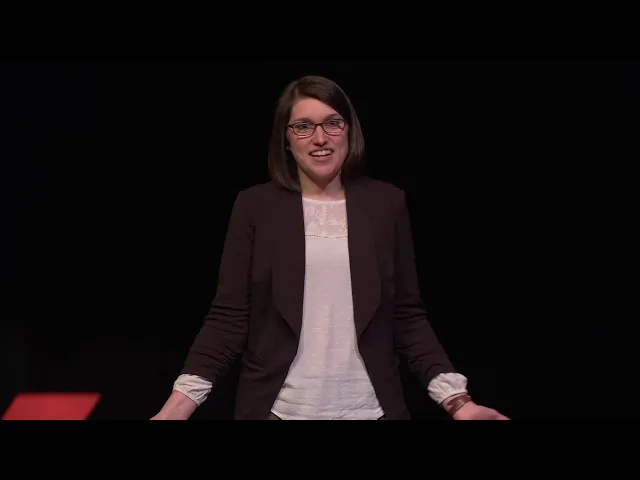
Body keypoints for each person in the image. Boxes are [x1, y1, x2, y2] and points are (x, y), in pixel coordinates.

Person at [151, 75, 509, 420]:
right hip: (278, 410)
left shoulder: (386, 204)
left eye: (332, 123)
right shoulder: (256, 207)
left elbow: (407, 316)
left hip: (372, 410)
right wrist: (175, 409)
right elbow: (228, 319)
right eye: (303, 126)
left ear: (349, 130)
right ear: (286, 138)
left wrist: (458, 402)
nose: (320, 138)